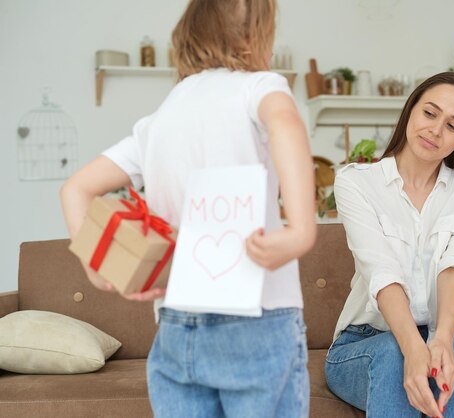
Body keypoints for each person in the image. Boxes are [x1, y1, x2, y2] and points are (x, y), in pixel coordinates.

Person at [60, 1, 316, 417]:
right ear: (256, 36)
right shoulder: (259, 87)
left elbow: (76, 188)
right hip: (259, 316)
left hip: (178, 326)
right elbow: (285, 122)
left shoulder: (159, 120)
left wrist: (97, 265)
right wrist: (302, 229)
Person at [325, 72, 454, 418]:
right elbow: (381, 271)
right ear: (411, 111)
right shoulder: (356, 183)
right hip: (364, 341)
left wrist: (443, 339)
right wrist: (413, 349)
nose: (435, 130)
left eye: (452, 125)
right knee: (394, 356)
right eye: (429, 114)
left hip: (442, 334)